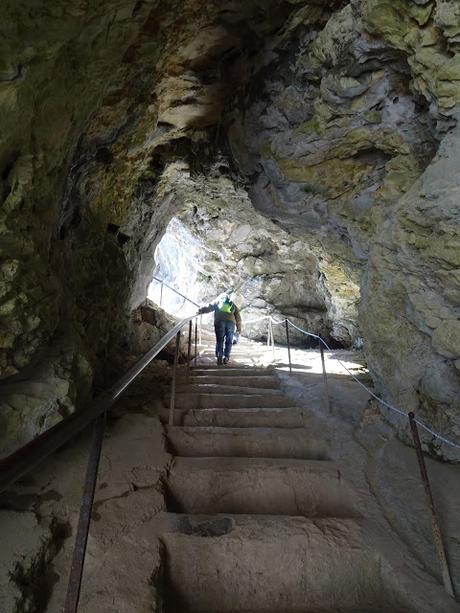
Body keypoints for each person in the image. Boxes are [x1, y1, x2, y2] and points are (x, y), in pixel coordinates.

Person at [198, 293, 242, 365]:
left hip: (220, 322)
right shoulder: (232, 304)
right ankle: (226, 357)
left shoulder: (218, 301)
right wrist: (238, 330)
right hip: (231, 324)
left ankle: (219, 357)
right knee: (229, 341)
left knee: (220, 340)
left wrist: (200, 310)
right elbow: (238, 318)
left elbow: (209, 307)